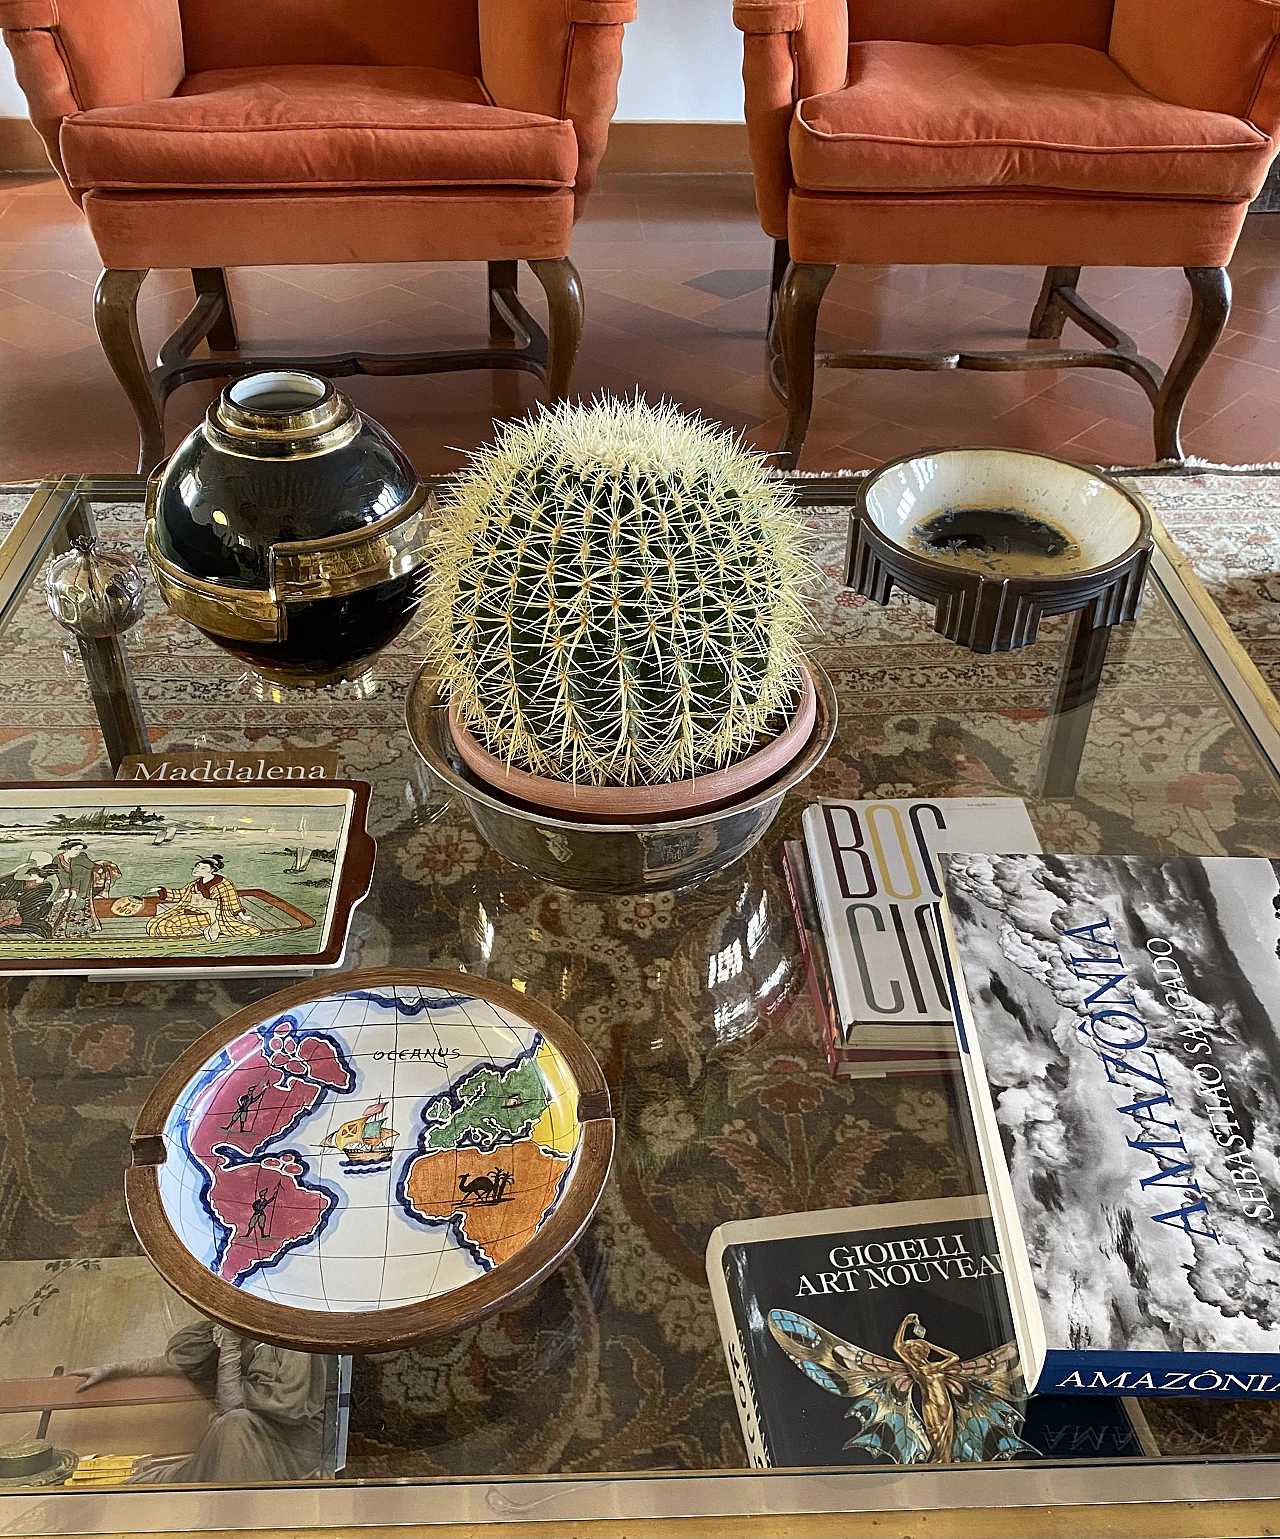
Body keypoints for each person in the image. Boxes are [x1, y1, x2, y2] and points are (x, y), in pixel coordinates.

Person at [67, 1322, 326, 1483]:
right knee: (142, 1486)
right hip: (233, 1442)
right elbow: (173, 1363)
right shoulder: (229, 1330)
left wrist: (231, 1347)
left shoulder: (292, 1344)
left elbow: (232, 1408)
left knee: (235, 1425)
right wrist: (114, 1369)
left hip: (288, 1449)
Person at [145, 855, 261, 943]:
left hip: (216, 915)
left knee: (169, 924)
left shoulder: (223, 884)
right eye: (197, 866)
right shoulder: (195, 884)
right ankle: (186, 933)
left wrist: (242, 916)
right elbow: (182, 894)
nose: (196, 869)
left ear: (212, 870)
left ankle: (191, 935)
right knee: (157, 923)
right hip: (196, 911)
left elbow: (233, 901)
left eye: (202, 867)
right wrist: (160, 890)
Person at [48, 838, 99, 940]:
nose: (78, 852)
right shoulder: (57, 859)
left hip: (82, 886)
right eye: (76, 849)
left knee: (79, 907)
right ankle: (55, 930)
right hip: (65, 885)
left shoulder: (81, 857)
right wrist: (67, 890)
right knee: (59, 905)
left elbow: (90, 866)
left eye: (80, 850)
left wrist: (75, 891)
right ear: (67, 849)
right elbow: (61, 874)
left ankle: (77, 931)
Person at [0, 850, 55, 938]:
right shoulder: (22, 883)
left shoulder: (45, 887)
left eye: (32, 862)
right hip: (26, 917)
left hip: (28, 917)